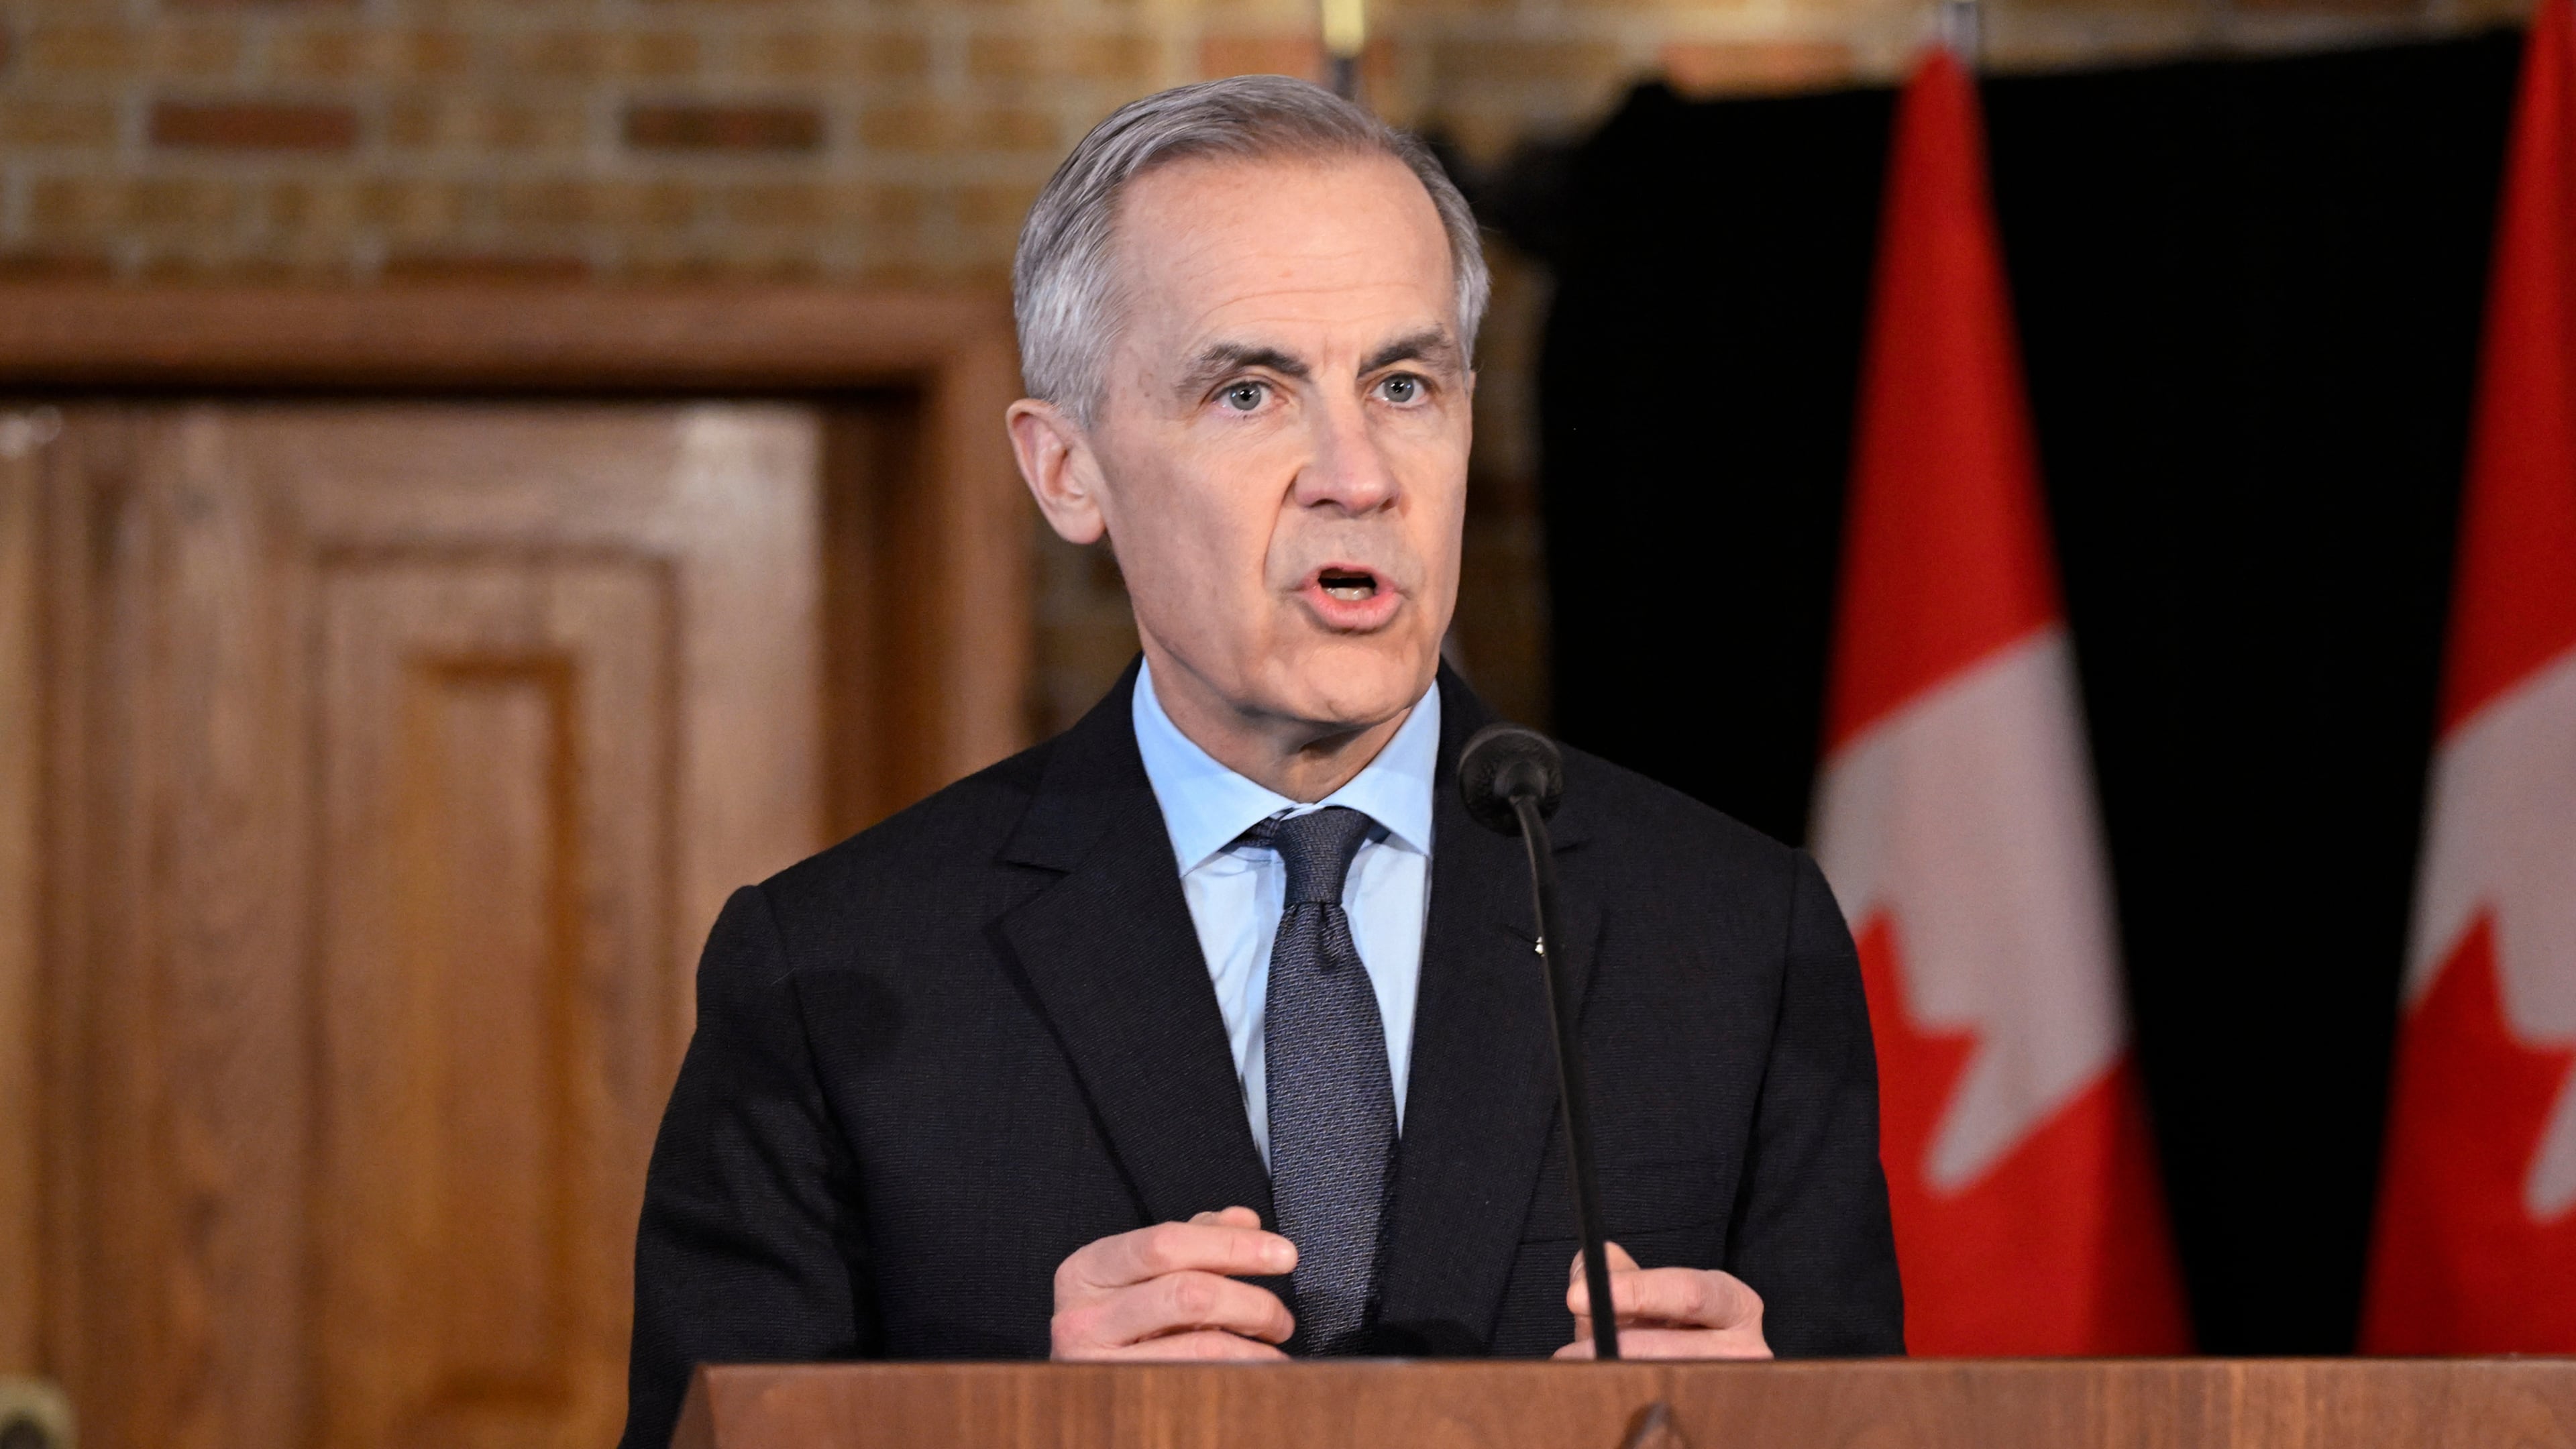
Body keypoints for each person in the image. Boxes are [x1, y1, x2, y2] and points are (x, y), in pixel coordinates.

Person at [619, 74, 1901, 1449]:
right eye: (1250, 393)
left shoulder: (1732, 936)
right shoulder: (833, 977)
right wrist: (1022, 1431)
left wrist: (1785, 1434)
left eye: (1404, 386)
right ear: (1067, 472)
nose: (1358, 474)